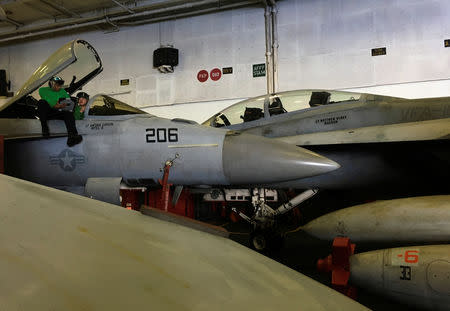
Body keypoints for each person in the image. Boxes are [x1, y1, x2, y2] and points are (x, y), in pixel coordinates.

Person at [37, 76, 82, 147]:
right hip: (48, 113)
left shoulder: (63, 91)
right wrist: (55, 105)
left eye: (60, 85)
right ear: (51, 84)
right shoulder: (42, 90)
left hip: (59, 112)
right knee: (42, 102)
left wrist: (66, 105)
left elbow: (69, 101)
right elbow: (46, 98)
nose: (59, 86)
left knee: (68, 111)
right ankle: (44, 129)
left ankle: (72, 137)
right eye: (57, 84)